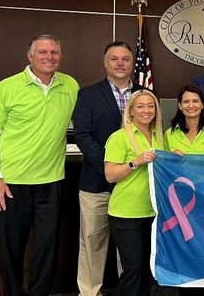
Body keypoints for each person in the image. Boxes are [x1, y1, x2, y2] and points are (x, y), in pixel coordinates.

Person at [0, 34, 79, 296]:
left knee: (47, 250)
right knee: (11, 249)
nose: (49, 57)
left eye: (54, 52)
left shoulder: (70, 86)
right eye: (43, 52)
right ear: (30, 56)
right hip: (10, 184)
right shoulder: (7, 88)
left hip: (51, 182)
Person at [73, 41, 139, 296]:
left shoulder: (144, 95)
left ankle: (129, 291)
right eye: (114, 58)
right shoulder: (88, 94)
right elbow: (83, 135)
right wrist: (111, 167)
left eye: (125, 58)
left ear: (133, 63)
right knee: (92, 242)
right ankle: (90, 292)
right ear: (105, 63)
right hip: (96, 183)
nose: (120, 63)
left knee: (130, 247)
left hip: (134, 184)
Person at [165, 85, 204, 296]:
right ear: (179, 106)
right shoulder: (169, 134)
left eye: (195, 101)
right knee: (183, 251)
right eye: (186, 102)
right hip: (178, 204)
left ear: (202, 105)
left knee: (203, 252)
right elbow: (161, 165)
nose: (191, 106)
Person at [104, 89, 165, 296]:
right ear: (130, 112)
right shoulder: (119, 137)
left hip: (152, 213)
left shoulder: (159, 136)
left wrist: (173, 155)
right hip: (126, 213)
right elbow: (110, 175)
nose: (146, 110)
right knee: (133, 269)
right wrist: (135, 162)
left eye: (150, 106)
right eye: (140, 106)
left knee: (146, 269)